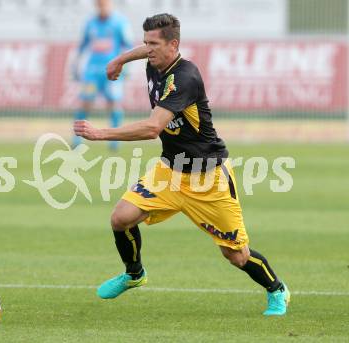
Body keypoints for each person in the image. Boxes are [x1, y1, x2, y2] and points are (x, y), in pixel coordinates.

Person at [74, 13, 290, 316]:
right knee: (120, 218)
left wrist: (100, 134)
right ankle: (134, 274)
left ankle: (277, 289)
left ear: (173, 45)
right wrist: (120, 60)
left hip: (208, 178)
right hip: (170, 172)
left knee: (236, 255)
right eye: (145, 42)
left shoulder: (184, 78)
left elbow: (152, 128)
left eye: (154, 44)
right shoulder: (156, 60)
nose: (148, 50)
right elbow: (144, 50)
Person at [72, 0, 132, 150]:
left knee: (113, 103)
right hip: (92, 72)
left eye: (104, 4)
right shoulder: (90, 23)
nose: (102, 7)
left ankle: (115, 140)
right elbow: (82, 46)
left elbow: (128, 45)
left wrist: (126, 67)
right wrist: (75, 66)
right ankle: (77, 138)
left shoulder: (120, 23)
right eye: (99, 4)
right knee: (85, 103)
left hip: (112, 71)